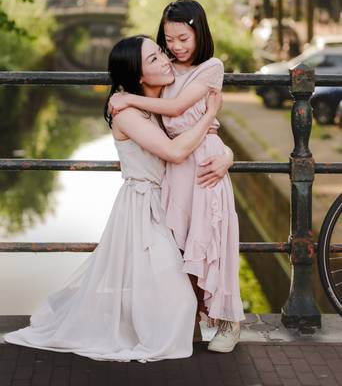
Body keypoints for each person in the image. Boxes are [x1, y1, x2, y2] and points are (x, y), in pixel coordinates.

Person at [4, 35, 224, 362]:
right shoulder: (123, 110)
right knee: (179, 299)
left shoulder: (159, 100)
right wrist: (210, 114)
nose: (165, 60)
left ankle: (154, 322)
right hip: (142, 207)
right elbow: (176, 152)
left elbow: (208, 142)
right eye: (153, 59)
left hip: (171, 203)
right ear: (137, 76)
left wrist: (227, 156)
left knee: (175, 288)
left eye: (161, 53)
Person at [109, 0, 245, 353]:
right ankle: (194, 319)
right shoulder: (166, 68)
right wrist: (129, 99)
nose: (177, 47)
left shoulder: (211, 67)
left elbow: (176, 108)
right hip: (177, 168)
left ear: (199, 32)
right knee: (183, 245)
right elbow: (167, 124)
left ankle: (230, 321)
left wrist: (129, 101)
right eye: (169, 40)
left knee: (213, 241)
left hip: (204, 164)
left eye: (184, 38)